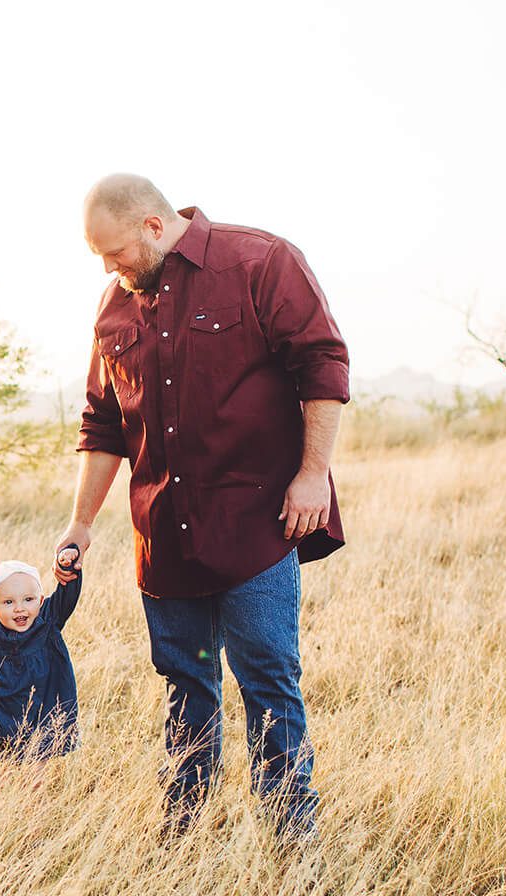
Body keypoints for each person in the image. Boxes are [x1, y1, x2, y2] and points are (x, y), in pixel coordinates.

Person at [54, 175, 350, 838]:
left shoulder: (261, 263)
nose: (108, 268)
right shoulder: (115, 306)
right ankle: (184, 837)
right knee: (186, 690)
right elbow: (103, 423)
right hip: (164, 537)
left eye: (114, 252)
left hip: (257, 526)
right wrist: (81, 521)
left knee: (269, 686)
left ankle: (289, 842)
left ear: (154, 226)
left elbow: (324, 368)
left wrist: (312, 476)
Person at [0, 545, 84, 762]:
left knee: (36, 772)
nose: (19, 609)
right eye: (8, 602)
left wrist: (69, 565)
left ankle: (31, 796)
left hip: (41, 707)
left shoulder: (48, 619)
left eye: (28, 600)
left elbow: (68, 594)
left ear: (40, 601)